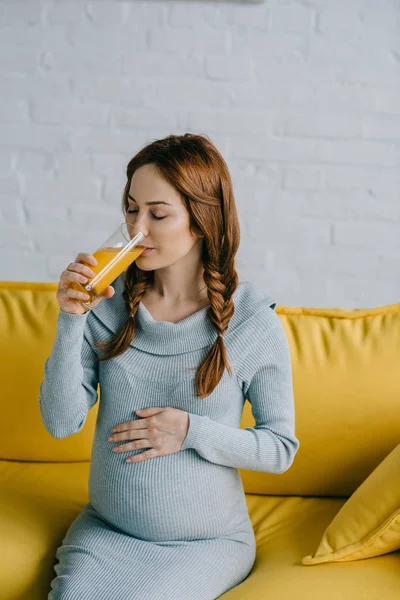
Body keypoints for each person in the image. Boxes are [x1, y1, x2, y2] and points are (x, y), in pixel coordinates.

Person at [39, 133, 300, 599]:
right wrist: (70, 319)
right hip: (108, 532)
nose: (138, 229)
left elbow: (280, 448)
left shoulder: (253, 323)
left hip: (205, 544)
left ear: (202, 220)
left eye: (158, 214)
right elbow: (60, 424)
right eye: (131, 209)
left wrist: (189, 432)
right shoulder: (107, 305)